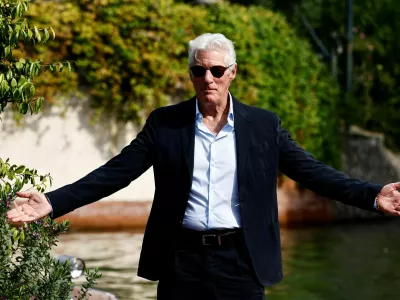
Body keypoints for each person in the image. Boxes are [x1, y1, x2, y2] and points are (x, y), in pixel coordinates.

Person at [6, 33, 400, 300]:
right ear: (191, 73)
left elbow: (312, 171)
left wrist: (371, 195)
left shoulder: (263, 126)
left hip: (242, 262)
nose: (207, 78)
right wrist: (53, 203)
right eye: (199, 70)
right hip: (182, 261)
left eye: (216, 70)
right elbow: (115, 173)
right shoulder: (166, 123)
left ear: (232, 73)